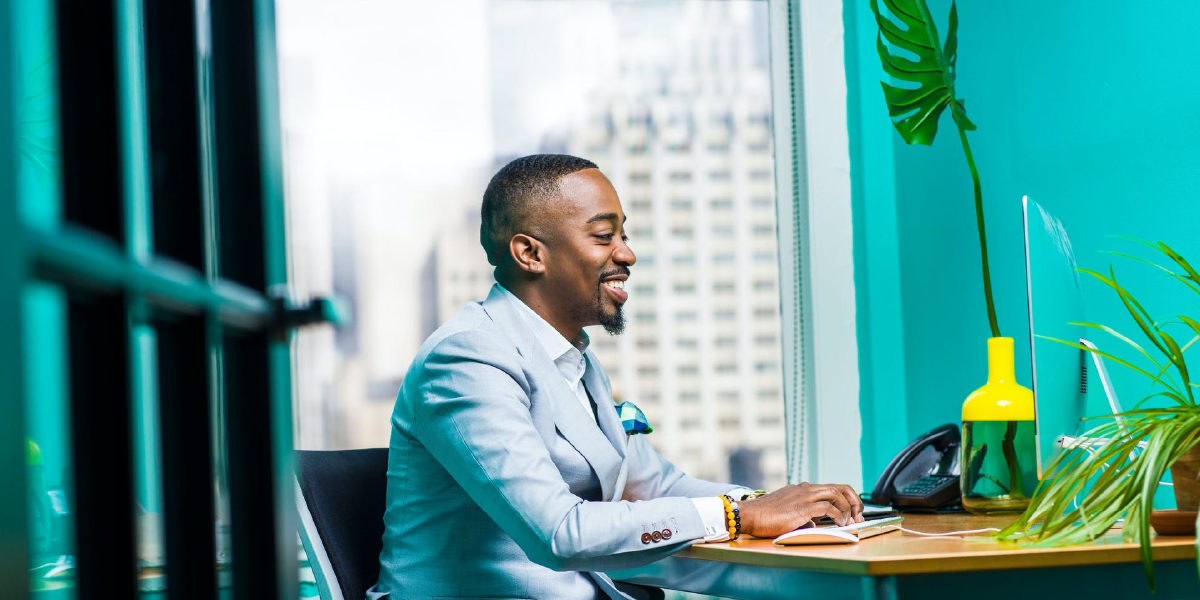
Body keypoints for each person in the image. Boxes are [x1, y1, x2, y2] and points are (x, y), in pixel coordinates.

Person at [368, 155, 863, 600]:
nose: (626, 254)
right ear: (530, 254)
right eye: (604, 236)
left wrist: (773, 505)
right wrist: (737, 518)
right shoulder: (466, 359)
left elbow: (655, 485)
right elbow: (559, 532)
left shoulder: (572, 360)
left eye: (624, 235)